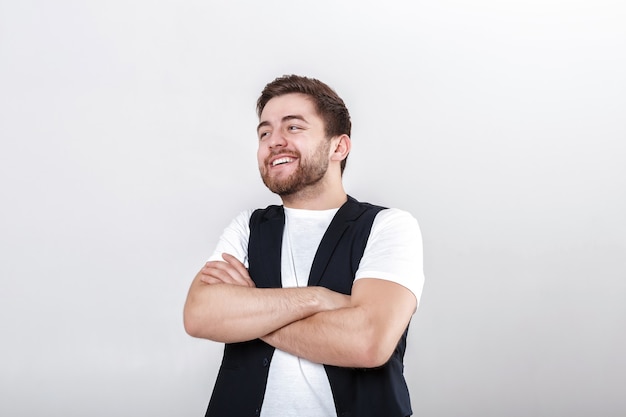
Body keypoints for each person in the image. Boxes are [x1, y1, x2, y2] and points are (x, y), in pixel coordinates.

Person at [184, 74, 425, 417]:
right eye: (264, 132)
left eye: (293, 127)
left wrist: (247, 313)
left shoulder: (388, 227)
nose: (273, 141)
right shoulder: (248, 227)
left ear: (338, 147)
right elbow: (199, 315)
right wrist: (319, 299)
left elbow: (368, 341)